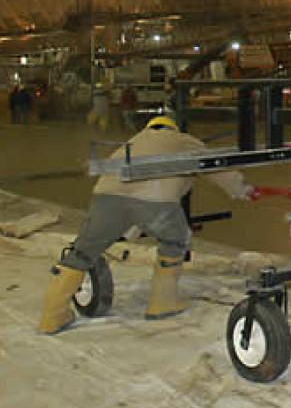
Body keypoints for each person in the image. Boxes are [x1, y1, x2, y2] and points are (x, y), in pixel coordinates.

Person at [38, 115, 262, 334]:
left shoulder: (132, 142)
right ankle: (162, 302)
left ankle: (52, 316)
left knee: (83, 252)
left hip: (105, 199)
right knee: (176, 239)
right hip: (154, 203)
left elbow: (123, 195)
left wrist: (131, 228)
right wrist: (242, 189)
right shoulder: (182, 140)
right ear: (172, 128)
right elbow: (215, 166)